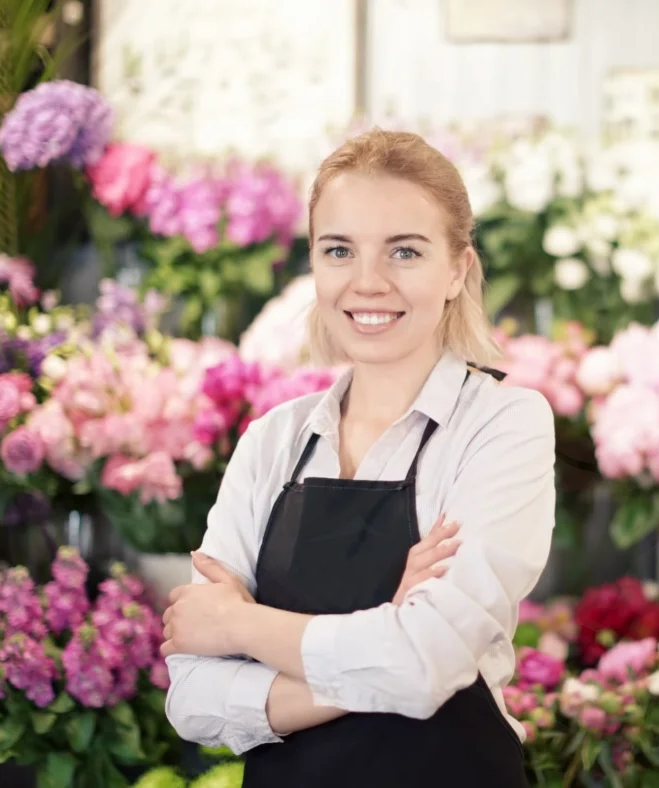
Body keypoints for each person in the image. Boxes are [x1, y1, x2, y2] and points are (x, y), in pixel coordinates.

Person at [162, 128, 556, 787]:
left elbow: (427, 663)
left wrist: (237, 623)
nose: (367, 282)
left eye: (405, 250)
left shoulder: (502, 424)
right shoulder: (273, 442)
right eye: (339, 250)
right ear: (314, 264)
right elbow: (195, 701)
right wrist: (383, 647)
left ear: (458, 268)